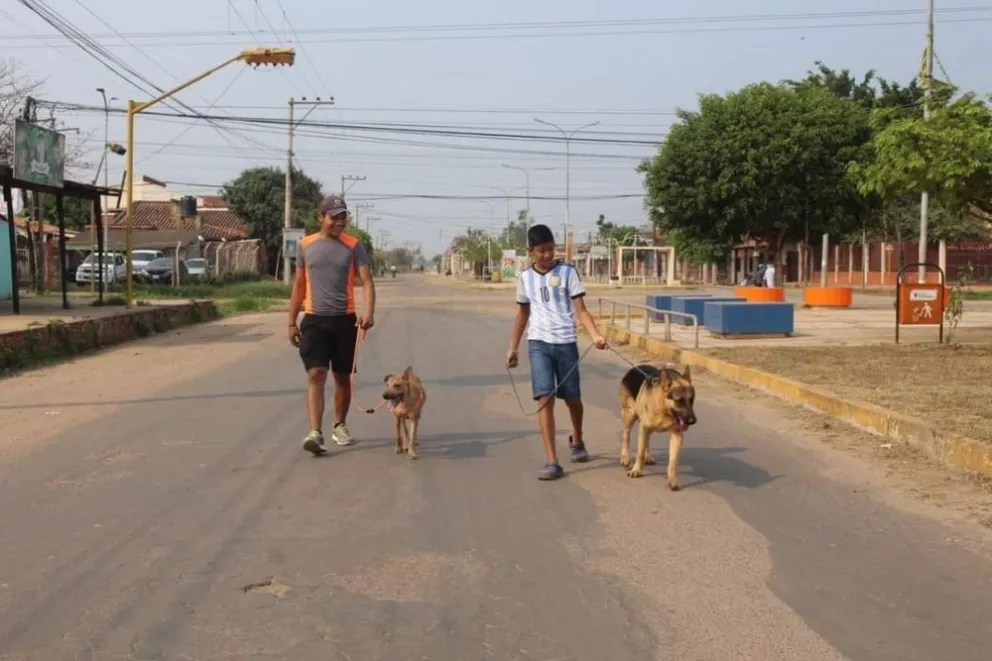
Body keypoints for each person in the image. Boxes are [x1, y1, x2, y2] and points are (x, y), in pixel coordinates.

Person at [505, 224, 609, 481]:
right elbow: (522, 313)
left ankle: (578, 439)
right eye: (542, 251)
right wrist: (513, 348)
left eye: (551, 249)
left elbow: (581, 309)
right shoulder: (525, 279)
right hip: (538, 343)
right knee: (544, 398)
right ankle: (552, 460)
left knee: (572, 397)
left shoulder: (567, 272)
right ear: (530, 251)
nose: (547, 255)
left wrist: (595, 334)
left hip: (566, 343)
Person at [287, 194, 376, 456]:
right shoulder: (306, 245)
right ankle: (315, 432)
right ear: (321, 217)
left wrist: (369, 312)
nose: (340, 222)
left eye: (343, 217)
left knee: (341, 377)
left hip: (344, 319)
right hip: (314, 318)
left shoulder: (354, 245)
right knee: (316, 373)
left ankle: (340, 424)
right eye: (334, 217)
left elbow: (367, 281)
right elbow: (299, 285)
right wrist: (291, 322)